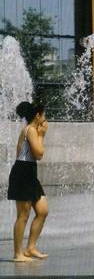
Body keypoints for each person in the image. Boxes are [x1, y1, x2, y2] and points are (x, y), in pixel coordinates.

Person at [7, 102, 49, 262]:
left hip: (28, 172)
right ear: (37, 115)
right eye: (43, 115)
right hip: (23, 173)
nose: (45, 119)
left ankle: (30, 248)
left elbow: (19, 151)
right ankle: (18, 253)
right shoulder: (31, 130)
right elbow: (39, 154)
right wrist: (42, 135)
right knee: (23, 215)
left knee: (43, 210)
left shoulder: (30, 130)